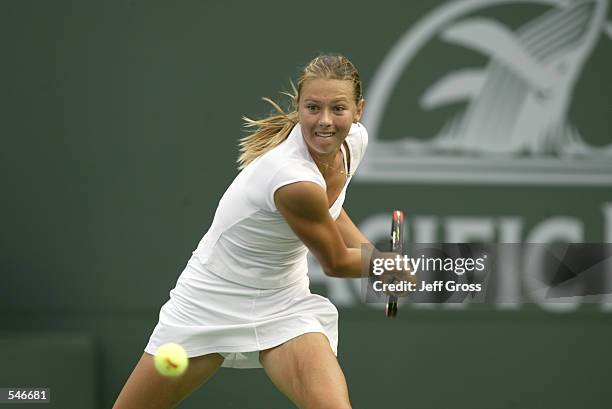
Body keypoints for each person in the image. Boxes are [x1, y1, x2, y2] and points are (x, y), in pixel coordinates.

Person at [112, 53, 388, 409]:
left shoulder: (354, 143)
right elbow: (334, 261)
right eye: (313, 108)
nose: (325, 121)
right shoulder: (291, 177)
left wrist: (380, 264)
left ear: (358, 110)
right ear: (298, 106)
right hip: (209, 301)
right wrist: (396, 266)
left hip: (284, 303)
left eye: (338, 109)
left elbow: (330, 212)